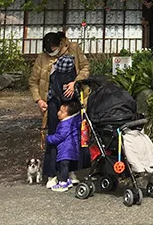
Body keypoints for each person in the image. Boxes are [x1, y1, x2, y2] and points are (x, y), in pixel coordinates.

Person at [28, 30, 90, 182]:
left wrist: (75, 82)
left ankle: (71, 171)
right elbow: (33, 82)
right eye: (49, 50)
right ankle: (52, 173)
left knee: (73, 136)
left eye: (54, 48)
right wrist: (39, 100)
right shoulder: (41, 58)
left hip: (72, 100)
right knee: (54, 135)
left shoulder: (73, 48)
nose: (52, 52)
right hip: (52, 102)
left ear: (60, 44)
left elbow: (85, 68)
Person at [44, 98, 83, 191]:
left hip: (65, 150)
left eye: (61, 112)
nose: (58, 113)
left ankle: (63, 182)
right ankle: (67, 179)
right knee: (66, 166)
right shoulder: (75, 122)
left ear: (68, 115)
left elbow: (59, 137)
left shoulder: (65, 124)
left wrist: (48, 138)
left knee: (63, 166)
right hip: (72, 149)